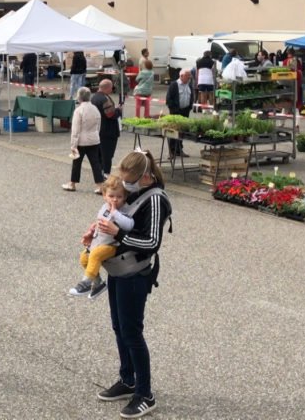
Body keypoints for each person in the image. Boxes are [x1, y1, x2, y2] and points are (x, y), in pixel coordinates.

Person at [93, 149, 171, 418]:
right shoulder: (133, 192)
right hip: (117, 269)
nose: (125, 185)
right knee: (119, 327)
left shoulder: (156, 200)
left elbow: (151, 243)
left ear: (145, 176)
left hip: (135, 273)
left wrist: (118, 234)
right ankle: (127, 379)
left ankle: (145, 393)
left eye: (129, 180)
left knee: (132, 333)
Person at [68, 176, 134, 297]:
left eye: (119, 197)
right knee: (84, 258)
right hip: (99, 241)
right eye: (111, 196)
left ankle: (86, 283)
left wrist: (115, 213)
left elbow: (129, 225)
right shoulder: (104, 207)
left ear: (125, 197)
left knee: (96, 254)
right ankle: (98, 283)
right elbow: (100, 222)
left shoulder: (124, 210)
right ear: (104, 195)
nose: (115, 200)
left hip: (112, 245)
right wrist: (92, 231)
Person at [63, 87, 104, 193]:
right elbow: (98, 125)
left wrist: (73, 145)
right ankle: (99, 185)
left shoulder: (79, 110)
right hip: (94, 139)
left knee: (77, 162)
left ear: (79, 97)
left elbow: (75, 130)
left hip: (82, 140)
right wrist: (96, 135)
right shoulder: (95, 109)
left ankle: (72, 183)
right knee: (96, 163)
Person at [92, 79, 121, 177]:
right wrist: (118, 111)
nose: (112, 89)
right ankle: (106, 173)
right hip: (108, 131)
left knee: (99, 154)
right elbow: (110, 114)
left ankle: (99, 172)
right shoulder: (105, 99)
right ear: (108, 87)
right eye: (111, 87)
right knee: (108, 154)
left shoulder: (94, 97)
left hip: (97, 130)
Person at [165, 69, 195, 159]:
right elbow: (168, 99)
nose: (189, 77)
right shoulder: (174, 85)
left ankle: (179, 150)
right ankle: (171, 151)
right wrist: (174, 110)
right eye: (187, 75)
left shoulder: (189, 84)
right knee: (173, 132)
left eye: (190, 75)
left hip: (185, 111)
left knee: (182, 132)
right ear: (181, 76)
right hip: (176, 112)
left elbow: (191, 96)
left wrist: (189, 107)